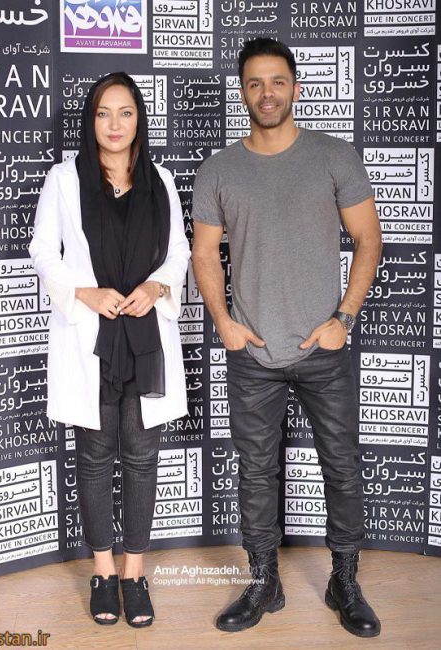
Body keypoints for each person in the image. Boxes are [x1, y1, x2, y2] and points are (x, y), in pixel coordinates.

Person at [192, 38, 383, 638]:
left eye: (277, 81)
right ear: (242, 92)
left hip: (323, 349)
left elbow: (369, 239)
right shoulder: (219, 169)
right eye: (255, 83)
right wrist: (224, 323)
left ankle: (344, 581)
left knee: (342, 466)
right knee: (255, 472)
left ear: (295, 87)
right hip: (253, 353)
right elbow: (203, 253)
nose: (266, 93)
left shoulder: (334, 156)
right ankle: (264, 582)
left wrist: (344, 318)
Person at [29, 72, 190, 627]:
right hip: (90, 338)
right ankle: (102, 570)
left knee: (142, 458)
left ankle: (133, 573)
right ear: (90, 120)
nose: (115, 124)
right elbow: (43, 251)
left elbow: (179, 252)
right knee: (95, 458)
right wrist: (84, 293)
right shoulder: (64, 179)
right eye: (103, 113)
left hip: (145, 339)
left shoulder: (160, 180)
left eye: (125, 112)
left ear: (139, 118)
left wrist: (157, 286)